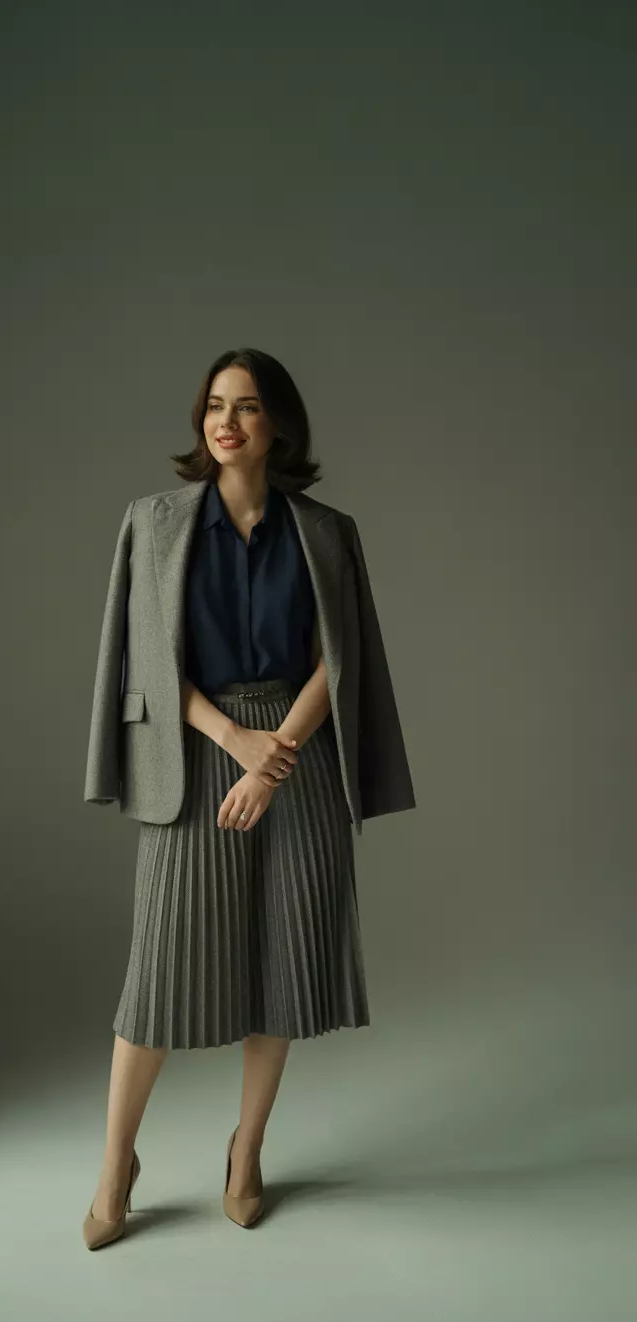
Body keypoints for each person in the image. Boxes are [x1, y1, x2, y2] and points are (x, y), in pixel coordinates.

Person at [82, 348, 415, 1248]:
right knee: (158, 974)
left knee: (281, 963)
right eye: (215, 406)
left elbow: (338, 660)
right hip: (197, 749)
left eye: (248, 406)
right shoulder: (153, 522)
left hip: (297, 752)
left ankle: (247, 1151)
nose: (226, 422)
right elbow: (148, 661)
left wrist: (275, 761)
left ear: (279, 426)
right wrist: (238, 745)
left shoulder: (326, 531)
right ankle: (116, 1163)